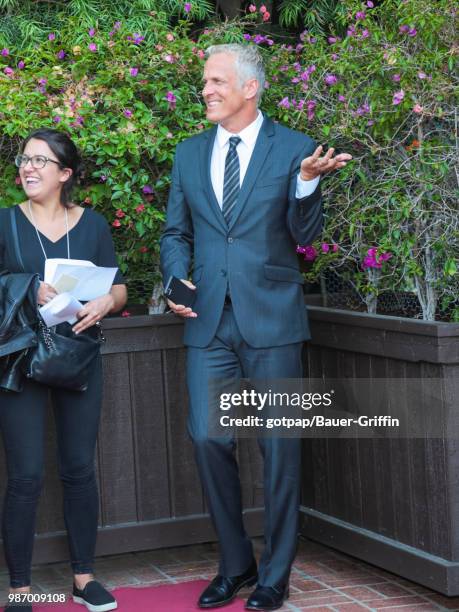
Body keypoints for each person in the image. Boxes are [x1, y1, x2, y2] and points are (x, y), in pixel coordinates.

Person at [160, 44, 352, 611]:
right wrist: (175, 282)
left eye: (217, 81)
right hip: (207, 320)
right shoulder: (189, 153)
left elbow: (306, 236)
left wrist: (308, 185)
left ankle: (274, 576)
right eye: (204, 82)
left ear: (250, 88)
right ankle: (236, 561)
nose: (206, 90)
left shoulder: (294, 148)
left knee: (279, 448)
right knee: (207, 436)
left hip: (271, 317)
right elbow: (177, 234)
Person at [0, 128, 127, 612]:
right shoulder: (6, 222)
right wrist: (27, 286)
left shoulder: (92, 225)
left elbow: (120, 289)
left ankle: (83, 578)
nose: (28, 168)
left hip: (79, 355)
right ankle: (20, 589)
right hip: (19, 361)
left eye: (40, 161)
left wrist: (107, 300)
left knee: (78, 470)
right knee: (25, 475)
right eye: (24, 160)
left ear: (65, 173)